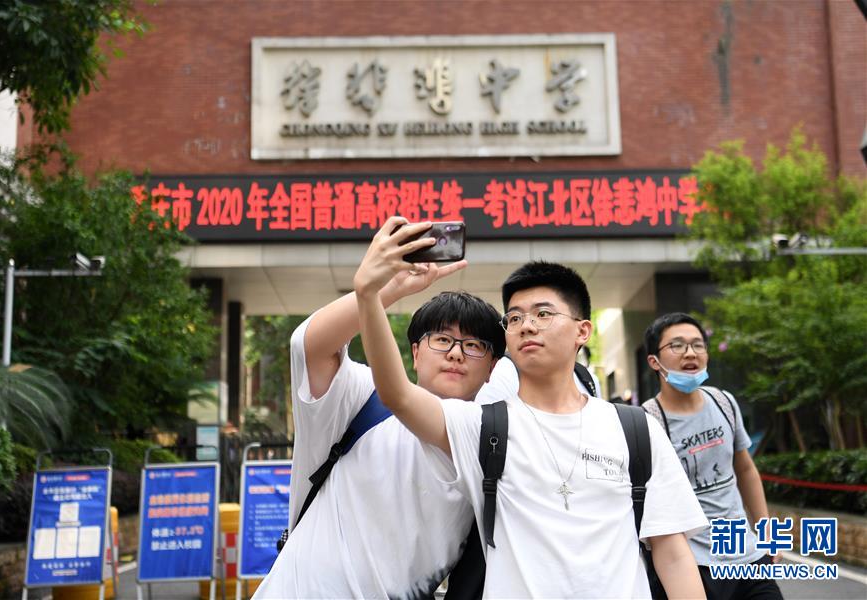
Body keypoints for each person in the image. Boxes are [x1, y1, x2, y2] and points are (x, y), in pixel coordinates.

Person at [354, 219, 708, 598]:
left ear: (582, 331)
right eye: (515, 317)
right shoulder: (483, 427)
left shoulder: (635, 429)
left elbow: (673, 555)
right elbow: (398, 395)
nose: (526, 326)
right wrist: (369, 295)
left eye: (543, 314)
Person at [254, 218, 505, 599]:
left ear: (491, 368)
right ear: (415, 353)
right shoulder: (363, 397)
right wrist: (381, 291)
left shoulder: (490, 442)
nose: (456, 353)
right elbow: (308, 347)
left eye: (474, 346)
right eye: (442, 339)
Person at [642, 312, 784, 600]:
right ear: (654, 361)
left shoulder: (723, 401)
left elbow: (745, 469)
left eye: (698, 344)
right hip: (689, 565)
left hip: (746, 557)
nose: (690, 353)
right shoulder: (646, 421)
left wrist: (767, 532)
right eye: (677, 345)